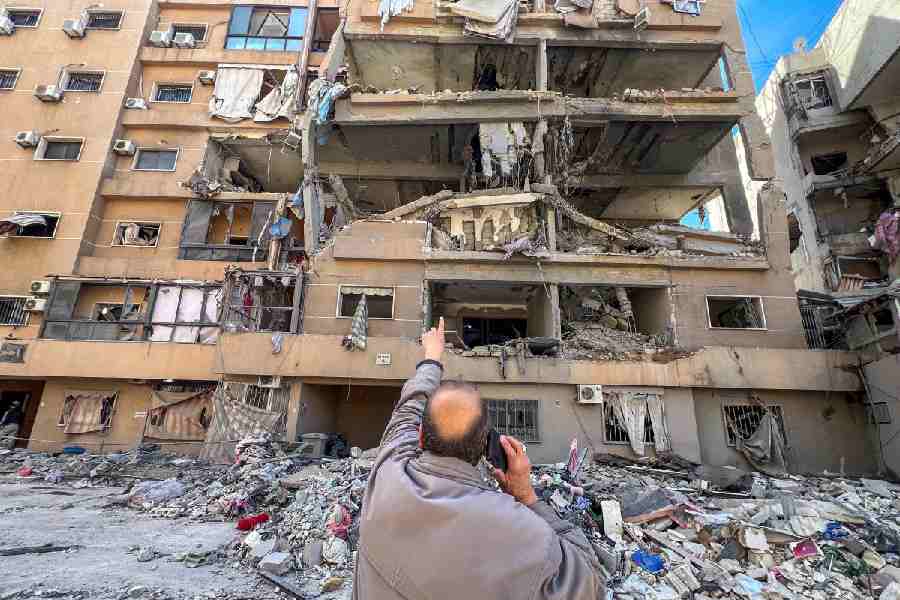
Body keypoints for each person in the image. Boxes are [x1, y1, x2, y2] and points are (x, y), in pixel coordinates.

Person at [352, 318, 605, 600]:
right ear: (485, 446)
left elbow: (410, 405)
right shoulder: (522, 532)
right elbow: (589, 583)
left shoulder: (388, 472)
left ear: (420, 436)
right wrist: (527, 497)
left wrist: (432, 358)